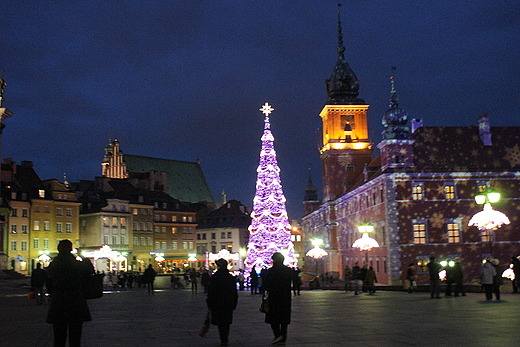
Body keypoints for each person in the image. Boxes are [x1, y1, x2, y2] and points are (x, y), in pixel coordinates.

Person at [46, 239, 94, 347]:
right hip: (75, 300)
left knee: (58, 335)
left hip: (59, 301)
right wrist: (82, 256)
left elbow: (48, 280)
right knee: (75, 335)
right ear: (71, 250)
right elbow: (90, 271)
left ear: (59, 249)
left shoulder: (54, 264)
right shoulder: (77, 264)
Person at [206, 259, 238, 347]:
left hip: (217, 303)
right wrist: (234, 302)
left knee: (220, 322)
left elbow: (211, 292)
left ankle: (223, 338)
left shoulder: (215, 277)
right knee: (226, 322)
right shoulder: (230, 277)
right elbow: (234, 292)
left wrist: (209, 302)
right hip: (228, 302)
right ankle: (225, 338)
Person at [263, 252, 293, 345]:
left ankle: (277, 335)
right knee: (284, 318)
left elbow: (266, 284)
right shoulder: (288, 270)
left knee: (273, 317)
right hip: (285, 296)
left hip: (274, 296)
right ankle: (283, 335)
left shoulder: (271, 271)